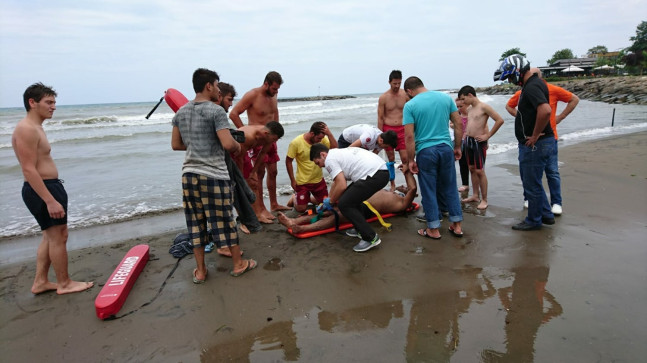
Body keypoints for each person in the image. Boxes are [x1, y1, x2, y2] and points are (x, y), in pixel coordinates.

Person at [172, 68, 256, 282]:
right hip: (213, 175)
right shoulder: (216, 111)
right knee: (224, 220)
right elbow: (228, 144)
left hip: (189, 175)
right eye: (217, 85)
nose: (219, 89)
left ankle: (200, 271)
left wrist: (198, 145)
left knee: (195, 222)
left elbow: (176, 145)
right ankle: (238, 264)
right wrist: (237, 147)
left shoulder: (180, 112)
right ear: (208, 85)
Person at [11, 83, 94, 295]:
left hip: (48, 187)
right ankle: (64, 283)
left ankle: (40, 282)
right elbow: (28, 170)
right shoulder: (26, 129)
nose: (53, 107)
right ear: (32, 102)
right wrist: (49, 200)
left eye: (54, 102)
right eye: (49, 102)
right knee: (58, 236)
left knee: (51, 236)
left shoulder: (36, 127)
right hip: (42, 189)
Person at [505, 68, 579, 215]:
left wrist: (560, 117)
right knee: (530, 175)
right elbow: (509, 106)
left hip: (547, 138)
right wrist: (522, 119)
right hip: (534, 140)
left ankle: (556, 203)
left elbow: (573, 100)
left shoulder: (547, 89)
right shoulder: (524, 91)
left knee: (550, 172)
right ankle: (534, 204)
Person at [494, 55, 555, 231]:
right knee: (533, 181)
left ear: (519, 71)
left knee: (531, 184)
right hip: (541, 142)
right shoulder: (534, 84)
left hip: (536, 144)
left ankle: (534, 220)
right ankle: (546, 214)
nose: (511, 81)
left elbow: (545, 110)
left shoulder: (532, 86)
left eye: (511, 77)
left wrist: (535, 135)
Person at [403, 76, 464, 239]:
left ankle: (433, 229)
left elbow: (409, 137)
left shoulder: (410, 105)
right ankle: (457, 225)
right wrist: (457, 146)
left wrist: (410, 160)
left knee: (429, 190)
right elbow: (458, 123)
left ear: (409, 91)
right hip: (445, 148)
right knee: (451, 186)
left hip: (426, 151)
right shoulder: (445, 98)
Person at [278, 167, 418, 234]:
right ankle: (294, 221)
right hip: (358, 200)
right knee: (328, 212)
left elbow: (412, 189)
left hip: (367, 209)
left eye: (404, 188)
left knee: (336, 217)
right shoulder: (391, 192)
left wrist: (407, 172)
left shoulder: (402, 204)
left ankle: (302, 228)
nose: (404, 187)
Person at [310, 143, 389, 252]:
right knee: (351, 199)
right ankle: (360, 229)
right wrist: (327, 200)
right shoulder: (336, 153)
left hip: (375, 174)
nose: (319, 166)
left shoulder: (329, 159)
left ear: (323, 154)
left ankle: (370, 238)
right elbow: (336, 182)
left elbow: (342, 185)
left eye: (317, 163)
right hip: (380, 171)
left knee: (344, 204)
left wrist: (331, 202)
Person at [229, 71, 290, 213]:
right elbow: (233, 113)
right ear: (266, 84)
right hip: (257, 139)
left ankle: (274, 204)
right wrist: (245, 132)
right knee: (259, 173)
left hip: (271, 137)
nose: (276, 91)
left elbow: (275, 112)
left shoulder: (274, 95)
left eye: (278, 89)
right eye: (274, 88)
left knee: (273, 172)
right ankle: (261, 208)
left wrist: (277, 131)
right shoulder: (253, 95)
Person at [457, 85, 505, 210]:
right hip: (469, 141)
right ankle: (475, 195)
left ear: (470, 95)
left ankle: (484, 199)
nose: (462, 102)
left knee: (480, 171)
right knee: (472, 168)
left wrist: (487, 136)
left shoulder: (484, 107)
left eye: (463, 99)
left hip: (479, 142)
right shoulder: (470, 109)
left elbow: (499, 120)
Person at [234, 121, 285, 223]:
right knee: (237, 187)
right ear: (266, 134)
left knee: (254, 182)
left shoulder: (268, 136)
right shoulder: (249, 137)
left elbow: (262, 154)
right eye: (275, 139)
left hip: (243, 154)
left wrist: (253, 172)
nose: (275, 141)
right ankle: (243, 220)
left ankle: (258, 215)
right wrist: (241, 178)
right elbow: (238, 158)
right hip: (233, 153)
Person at [285, 121, 337, 213]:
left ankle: (307, 199)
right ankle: (294, 198)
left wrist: (329, 134)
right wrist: (292, 180)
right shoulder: (296, 142)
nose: (320, 141)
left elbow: (335, 150)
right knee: (301, 209)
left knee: (326, 205)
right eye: (319, 138)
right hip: (303, 182)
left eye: (322, 138)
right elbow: (288, 161)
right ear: (312, 133)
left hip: (318, 180)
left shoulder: (322, 140)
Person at [378, 70, 409, 191]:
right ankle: (392, 185)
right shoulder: (384, 98)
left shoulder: (405, 94)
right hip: (388, 129)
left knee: (405, 158)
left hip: (402, 129)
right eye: (394, 83)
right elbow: (380, 117)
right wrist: (380, 135)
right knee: (390, 159)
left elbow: (411, 112)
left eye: (399, 83)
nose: (396, 86)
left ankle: (409, 184)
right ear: (389, 82)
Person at [455, 97, 470, 193]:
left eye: (461, 106)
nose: (459, 108)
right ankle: (465, 184)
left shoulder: (471, 114)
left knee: (473, 166)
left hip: (470, 140)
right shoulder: (457, 114)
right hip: (460, 141)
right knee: (462, 163)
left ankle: (477, 183)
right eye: (457, 106)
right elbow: (452, 124)